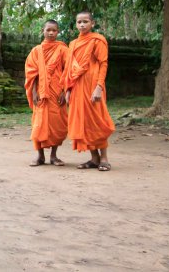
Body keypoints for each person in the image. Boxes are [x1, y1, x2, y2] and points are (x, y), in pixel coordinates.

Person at [64, 11, 115, 171]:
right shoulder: (72, 44)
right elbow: (69, 69)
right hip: (78, 87)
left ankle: (104, 158)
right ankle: (94, 158)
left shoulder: (97, 40)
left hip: (93, 86)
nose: (82, 24)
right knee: (84, 122)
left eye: (85, 21)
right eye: (79, 22)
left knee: (97, 121)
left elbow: (103, 64)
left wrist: (99, 87)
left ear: (92, 23)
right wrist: (68, 89)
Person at [24, 19, 69, 166]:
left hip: (57, 92)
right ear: (42, 31)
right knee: (39, 123)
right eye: (48, 30)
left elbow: (68, 71)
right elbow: (32, 74)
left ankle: (54, 156)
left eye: (54, 30)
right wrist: (34, 92)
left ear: (58, 32)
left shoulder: (63, 49)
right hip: (41, 93)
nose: (51, 33)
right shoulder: (36, 51)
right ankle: (40, 156)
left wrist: (64, 90)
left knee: (57, 124)